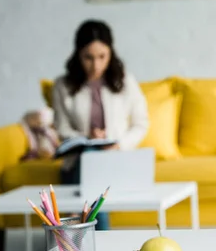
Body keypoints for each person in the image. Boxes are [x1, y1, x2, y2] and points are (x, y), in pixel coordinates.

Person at [53, 19, 149, 230]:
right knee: (90, 160)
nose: (95, 65)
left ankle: (77, 230)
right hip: (79, 161)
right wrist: (88, 137)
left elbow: (140, 124)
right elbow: (61, 128)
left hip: (115, 159)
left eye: (101, 57)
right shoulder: (63, 85)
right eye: (88, 57)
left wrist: (118, 144)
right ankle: (101, 238)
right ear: (78, 54)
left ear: (111, 53)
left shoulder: (125, 81)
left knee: (94, 174)